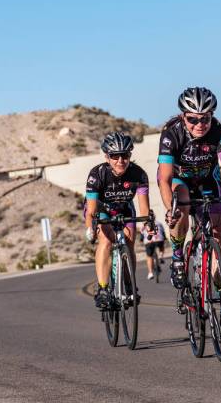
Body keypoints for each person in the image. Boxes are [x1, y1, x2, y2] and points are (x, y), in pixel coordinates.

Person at [157, 87, 221, 337]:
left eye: (205, 118)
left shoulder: (218, 132)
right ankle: (177, 254)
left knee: (218, 234)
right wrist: (170, 210)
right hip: (179, 181)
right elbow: (164, 179)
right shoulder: (171, 133)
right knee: (181, 199)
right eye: (193, 119)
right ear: (183, 117)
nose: (199, 124)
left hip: (208, 180)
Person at [84, 132, 150, 309]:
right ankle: (103, 289)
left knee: (129, 242)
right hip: (101, 210)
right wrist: (90, 229)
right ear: (107, 157)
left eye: (125, 155)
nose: (121, 160)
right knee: (105, 241)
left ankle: (129, 284)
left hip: (124, 209)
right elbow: (91, 212)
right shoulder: (97, 175)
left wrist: (147, 224)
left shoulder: (139, 175)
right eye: (115, 156)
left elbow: (144, 208)